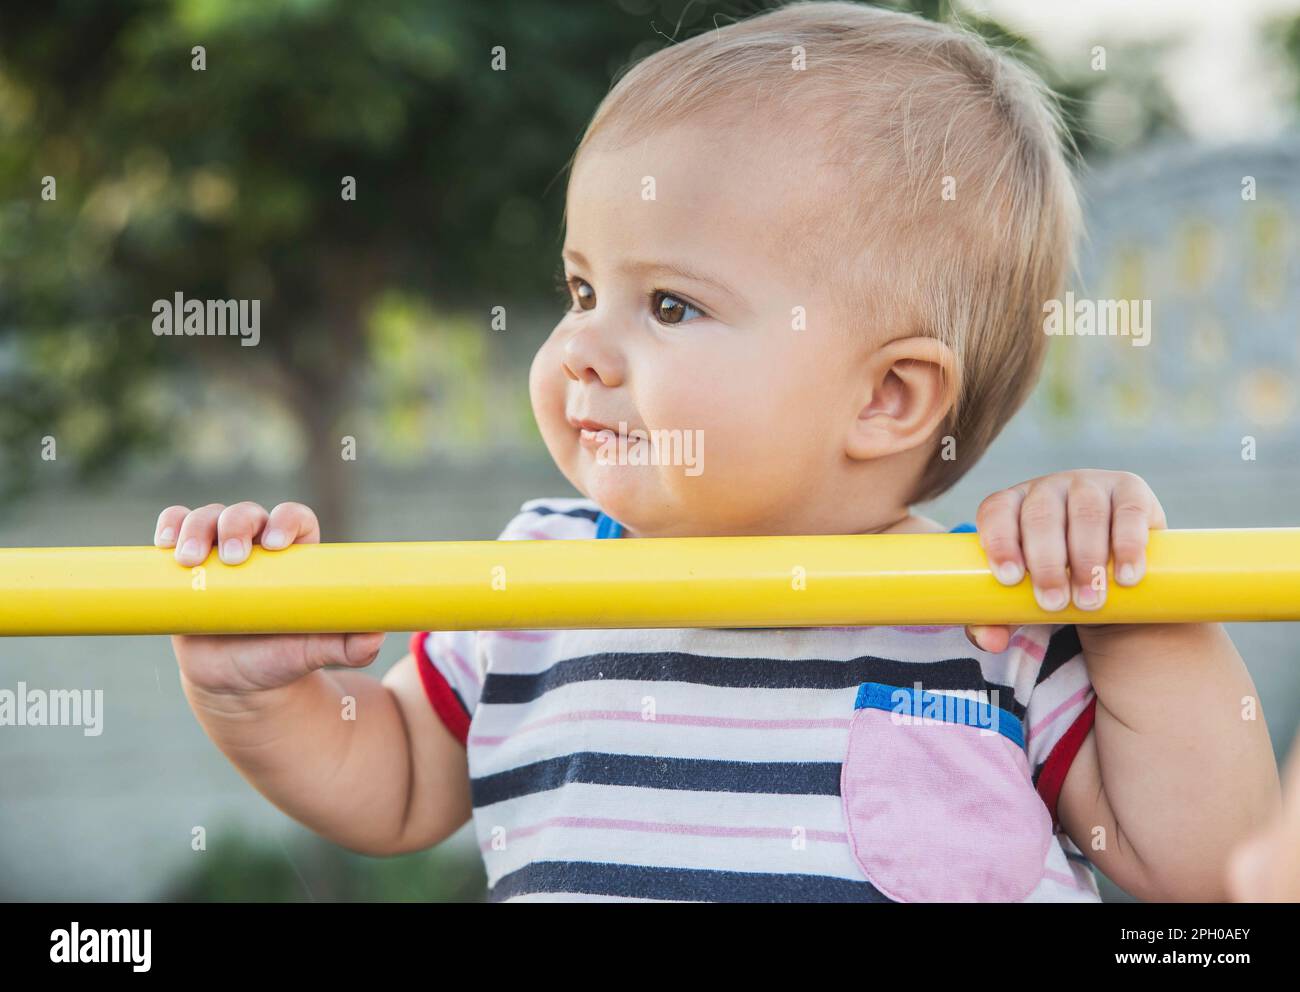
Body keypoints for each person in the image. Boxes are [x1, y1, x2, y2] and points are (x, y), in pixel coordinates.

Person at [152, 2, 1279, 902]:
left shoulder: (995, 613)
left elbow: (1205, 872)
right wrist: (254, 694)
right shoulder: (534, 579)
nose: (580, 347)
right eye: (582, 287)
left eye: (671, 305)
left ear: (887, 396)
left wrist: (1136, 600)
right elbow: (392, 776)